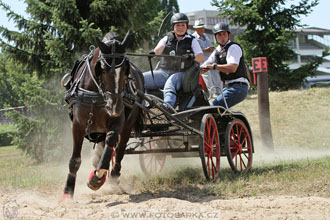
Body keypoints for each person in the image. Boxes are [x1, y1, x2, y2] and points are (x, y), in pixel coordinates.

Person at [143, 13, 204, 112]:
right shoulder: (167, 38)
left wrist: (192, 56)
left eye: (183, 25)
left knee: (170, 83)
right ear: (173, 27)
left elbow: (201, 57)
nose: (180, 28)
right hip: (163, 72)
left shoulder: (192, 41)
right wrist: (153, 53)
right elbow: (158, 49)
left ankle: (167, 107)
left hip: (182, 74)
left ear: (187, 26)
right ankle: (141, 106)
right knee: (140, 79)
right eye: (177, 25)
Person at [201, 22, 249, 108]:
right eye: (219, 35)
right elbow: (205, 65)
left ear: (228, 35)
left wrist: (214, 67)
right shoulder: (217, 51)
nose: (222, 37)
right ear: (215, 37)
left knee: (213, 107)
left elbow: (232, 68)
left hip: (238, 87)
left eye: (224, 34)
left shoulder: (233, 47)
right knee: (212, 108)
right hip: (230, 87)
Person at [192, 20, 221, 96]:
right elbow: (194, 50)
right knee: (207, 75)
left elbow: (210, 46)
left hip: (210, 59)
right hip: (201, 61)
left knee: (216, 72)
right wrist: (206, 49)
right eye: (199, 28)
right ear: (195, 29)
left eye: (202, 28)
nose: (202, 29)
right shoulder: (193, 37)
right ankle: (213, 93)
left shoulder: (205, 36)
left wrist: (211, 49)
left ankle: (219, 91)